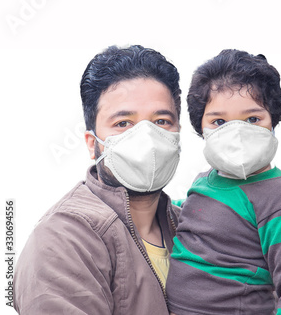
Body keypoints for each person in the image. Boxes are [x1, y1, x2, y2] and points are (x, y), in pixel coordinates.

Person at [13, 45, 182, 314]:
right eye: (123, 123)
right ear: (93, 144)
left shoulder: (191, 228)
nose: (147, 138)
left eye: (161, 121)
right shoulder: (64, 239)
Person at [167, 49, 281, 315]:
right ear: (199, 127)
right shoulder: (204, 183)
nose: (236, 132)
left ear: (273, 120)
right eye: (219, 121)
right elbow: (200, 215)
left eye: (252, 119)